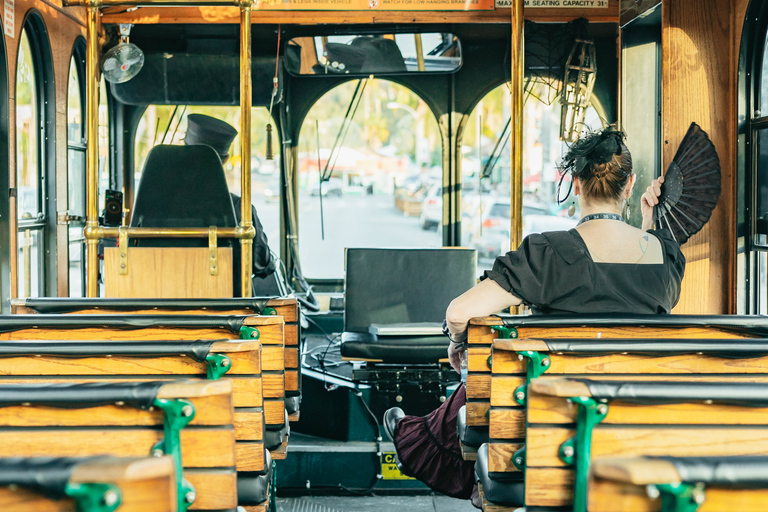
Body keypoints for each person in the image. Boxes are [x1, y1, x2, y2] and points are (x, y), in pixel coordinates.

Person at [382, 127, 685, 507]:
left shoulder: (549, 252)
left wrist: (458, 343)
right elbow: (638, 282)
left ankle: (430, 442)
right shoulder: (667, 258)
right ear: (630, 186)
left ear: (576, 184)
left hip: (551, 432)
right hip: (638, 429)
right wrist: (647, 223)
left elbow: (458, 312)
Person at [184, 113, 276, 280]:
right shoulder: (238, 207)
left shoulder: (151, 203)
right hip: (226, 303)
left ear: (184, 150)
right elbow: (261, 264)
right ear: (225, 160)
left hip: (161, 302)